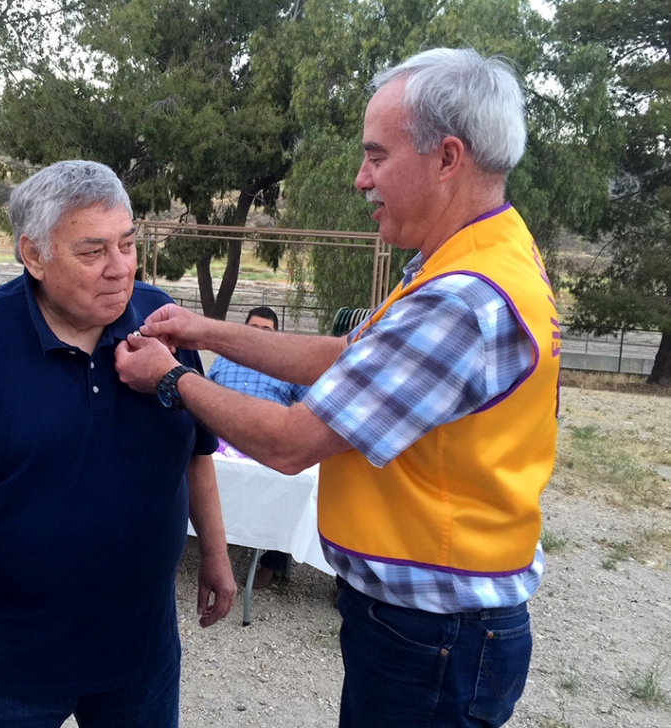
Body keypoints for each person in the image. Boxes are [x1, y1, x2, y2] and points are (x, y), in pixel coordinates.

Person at [115, 47, 560, 727]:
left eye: (376, 156)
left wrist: (169, 378)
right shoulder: (474, 259)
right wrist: (207, 332)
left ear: (447, 158)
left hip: (433, 635)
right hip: (431, 624)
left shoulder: (463, 299)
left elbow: (293, 444)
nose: (360, 179)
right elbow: (343, 357)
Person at [0, 160, 236, 728]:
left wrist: (215, 553)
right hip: (1, 667)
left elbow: (195, 452)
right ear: (34, 255)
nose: (119, 269)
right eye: (93, 252)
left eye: (127, 243)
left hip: (139, 655)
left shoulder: (161, 321)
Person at [207, 306, 308, 589]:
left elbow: (310, 406)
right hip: (221, 445)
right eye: (254, 329)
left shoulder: (287, 366)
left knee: (291, 486)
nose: (260, 336)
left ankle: (273, 560)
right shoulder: (223, 361)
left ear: (277, 336)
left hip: (267, 445)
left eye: (268, 331)